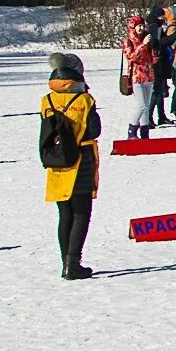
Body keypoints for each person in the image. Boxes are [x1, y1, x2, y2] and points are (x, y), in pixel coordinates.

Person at [39, 51, 102, 279]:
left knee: (64, 213)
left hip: (56, 160)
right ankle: (73, 263)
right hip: (81, 159)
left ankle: (64, 260)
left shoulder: (46, 100)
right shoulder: (85, 100)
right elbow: (94, 130)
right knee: (81, 213)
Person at [121, 14, 157, 140]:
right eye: (138, 26)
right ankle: (132, 131)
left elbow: (152, 59)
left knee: (146, 106)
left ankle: (145, 132)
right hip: (136, 77)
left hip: (148, 75)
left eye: (142, 25)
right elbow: (131, 57)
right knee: (141, 105)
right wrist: (142, 45)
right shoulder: (128, 41)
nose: (141, 28)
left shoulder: (146, 39)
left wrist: (154, 49)